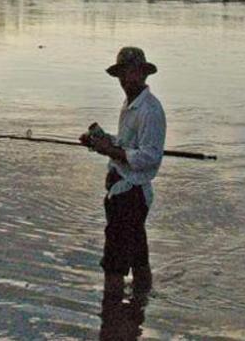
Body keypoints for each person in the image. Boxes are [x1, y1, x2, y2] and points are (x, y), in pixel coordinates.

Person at [80, 47, 166, 303]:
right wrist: (102, 141)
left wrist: (111, 150)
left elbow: (149, 157)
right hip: (124, 191)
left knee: (113, 265)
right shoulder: (130, 104)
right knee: (139, 257)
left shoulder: (150, 110)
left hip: (131, 194)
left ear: (142, 74)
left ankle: (112, 314)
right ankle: (141, 305)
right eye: (120, 74)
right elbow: (127, 144)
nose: (124, 80)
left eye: (130, 73)